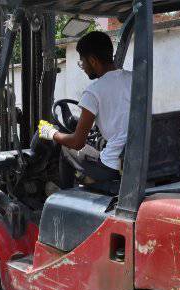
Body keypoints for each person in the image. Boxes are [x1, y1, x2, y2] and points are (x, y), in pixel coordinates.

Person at [38, 31, 132, 183]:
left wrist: (51, 133)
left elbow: (77, 142)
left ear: (93, 60)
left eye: (82, 62)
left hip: (111, 168)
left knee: (66, 148)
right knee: (100, 142)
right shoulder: (135, 79)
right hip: (137, 161)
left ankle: (64, 197)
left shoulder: (93, 91)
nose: (82, 67)